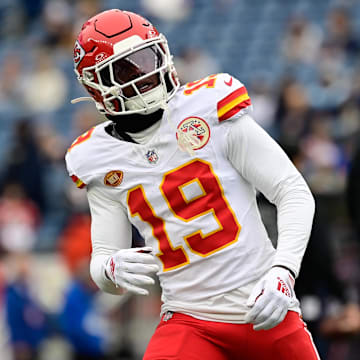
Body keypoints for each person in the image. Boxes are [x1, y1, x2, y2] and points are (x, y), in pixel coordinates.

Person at [65, 9, 319, 359]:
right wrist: (109, 270)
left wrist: (283, 272)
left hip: (264, 306)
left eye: (148, 57)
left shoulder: (208, 108)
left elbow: (292, 190)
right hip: (189, 320)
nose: (146, 73)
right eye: (127, 68)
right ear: (98, 86)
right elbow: (104, 257)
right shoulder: (96, 157)